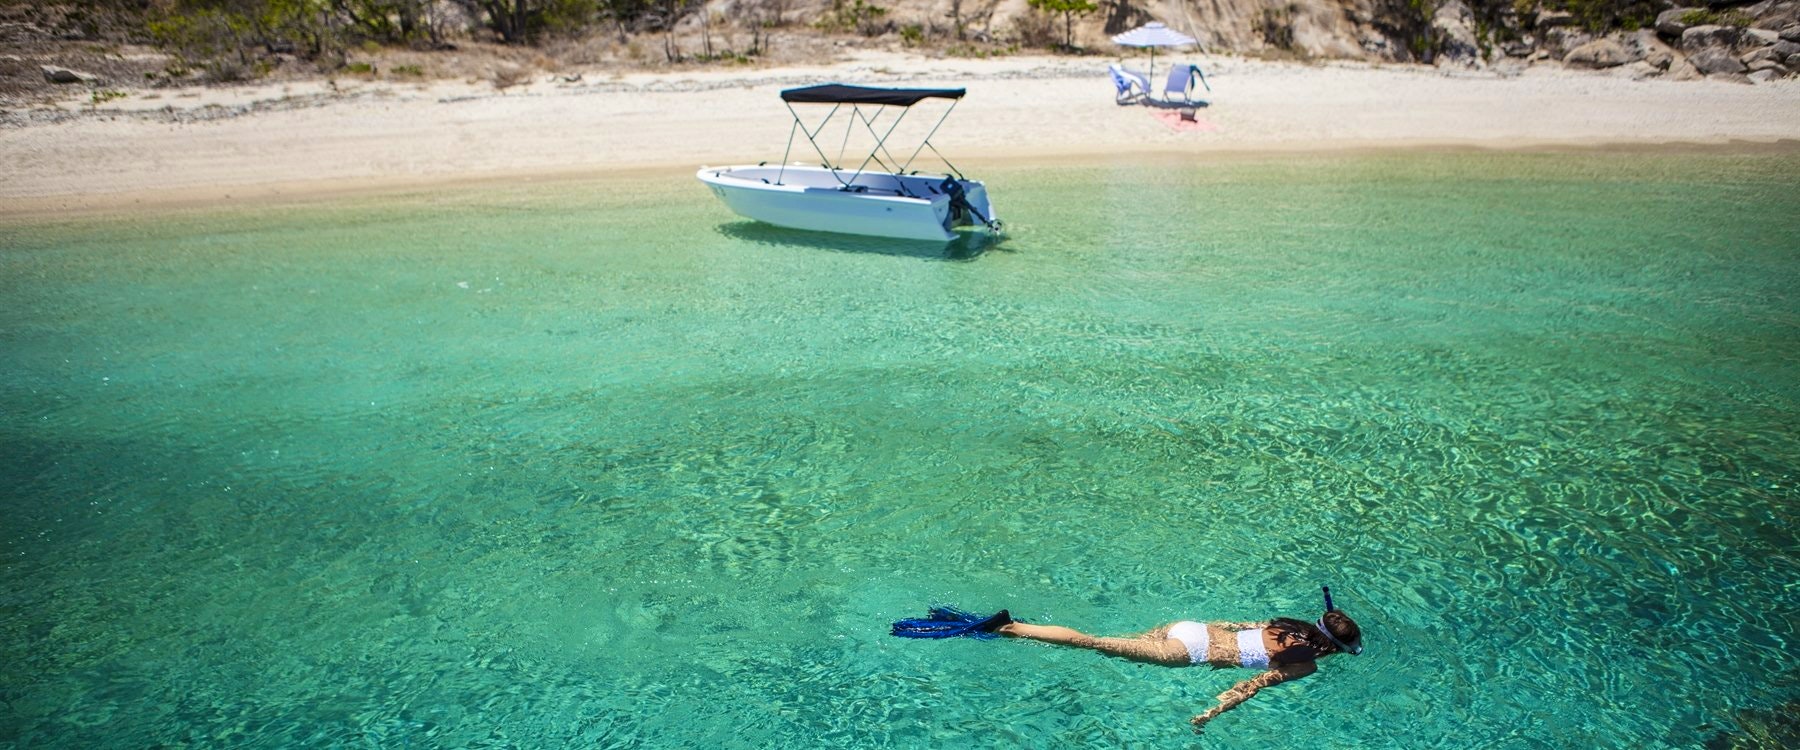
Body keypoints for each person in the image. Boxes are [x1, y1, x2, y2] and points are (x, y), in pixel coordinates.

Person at [894, 587, 1362, 733]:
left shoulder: (1284, 627)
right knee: (1093, 642)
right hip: (1188, 652)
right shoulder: (1305, 663)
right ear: (1333, 648)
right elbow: (1252, 686)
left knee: (1109, 642)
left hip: (1190, 629)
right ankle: (1008, 627)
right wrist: (1211, 713)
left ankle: (1017, 632)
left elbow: (1234, 627)